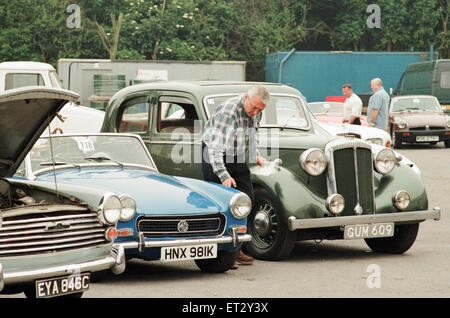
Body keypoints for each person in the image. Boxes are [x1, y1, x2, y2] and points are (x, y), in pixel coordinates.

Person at [201, 85, 270, 269]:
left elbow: (254, 132)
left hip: (236, 154)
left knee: (247, 199)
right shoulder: (228, 111)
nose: (254, 112)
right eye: (253, 107)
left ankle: (236, 248)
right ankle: (220, 254)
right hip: (214, 154)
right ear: (246, 97)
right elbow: (215, 149)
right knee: (221, 203)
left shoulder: (257, 111)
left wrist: (256, 154)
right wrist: (223, 175)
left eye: (259, 110)